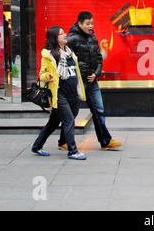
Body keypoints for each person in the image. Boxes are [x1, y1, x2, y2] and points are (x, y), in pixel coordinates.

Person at [58, 11, 122, 151]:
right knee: (72, 113)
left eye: (92, 23)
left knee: (99, 110)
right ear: (79, 23)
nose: (90, 26)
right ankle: (63, 141)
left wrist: (96, 73)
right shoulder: (72, 39)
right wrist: (77, 76)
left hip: (92, 81)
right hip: (77, 82)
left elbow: (99, 59)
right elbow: (66, 60)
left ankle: (105, 141)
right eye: (87, 23)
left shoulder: (93, 38)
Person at [31, 26, 87, 160]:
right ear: (54, 38)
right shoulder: (49, 55)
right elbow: (42, 74)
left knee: (53, 123)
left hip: (72, 94)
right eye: (61, 34)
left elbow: (75, 70)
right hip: (59, 94)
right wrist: (48, 76)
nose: (65, 35)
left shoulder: (69, 52)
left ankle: (37, 146)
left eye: (64, 33)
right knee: (68, 120)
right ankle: (73, 151)